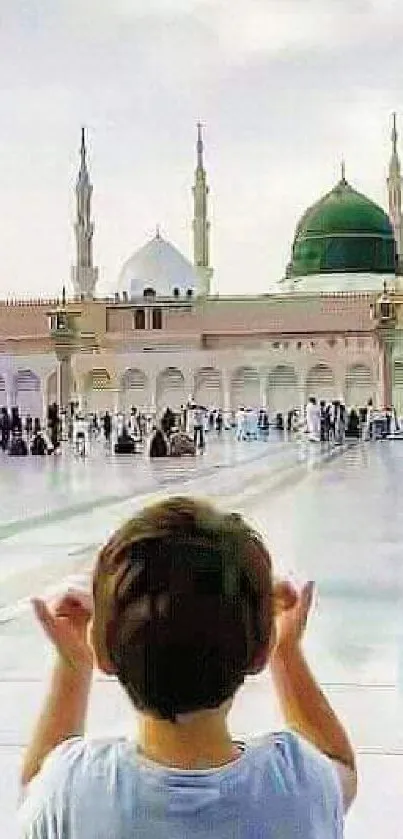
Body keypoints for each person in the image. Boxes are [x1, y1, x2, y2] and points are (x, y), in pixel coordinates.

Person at [18, 497, 357, 838]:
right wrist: (287, 653)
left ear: (103, 654)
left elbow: (35, 792)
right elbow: (340, 766)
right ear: (260, 654)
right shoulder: (301, 783)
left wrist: (73, 667)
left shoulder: (72, 787)